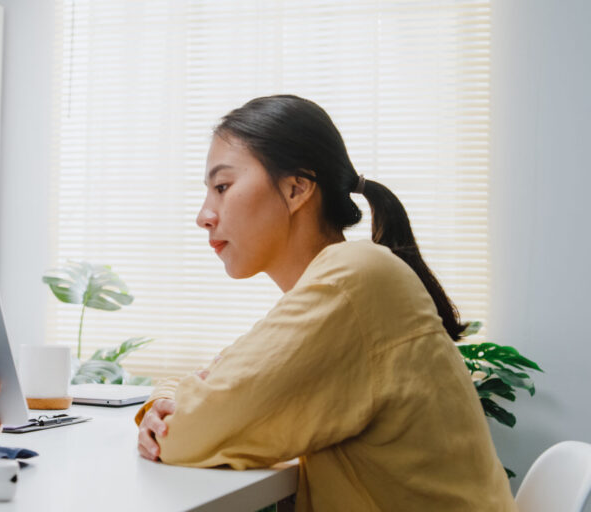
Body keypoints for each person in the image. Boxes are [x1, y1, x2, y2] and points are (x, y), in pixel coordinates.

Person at [135, 95, 516, 510]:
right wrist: (165, 404)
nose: (204, 215)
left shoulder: (352, 280)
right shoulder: (341, 281)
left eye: (223, 187)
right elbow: (216, 379)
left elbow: (189, 433)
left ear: (297, 188)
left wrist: (178, 413)